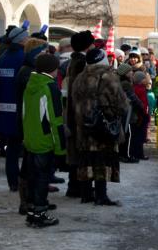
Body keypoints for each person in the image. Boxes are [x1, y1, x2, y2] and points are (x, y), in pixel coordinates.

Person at [71, 48, 129, 205]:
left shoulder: (80, 77)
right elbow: (121, 104)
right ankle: (101, 195)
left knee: (86, 159)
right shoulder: (107, 76)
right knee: (102, 159)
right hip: (103, 126)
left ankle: (86, 194)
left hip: (83, 126)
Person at [21, 53, 64, 228]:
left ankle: (32, 211)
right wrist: (61, 148)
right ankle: (39, 213)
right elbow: (55, 119)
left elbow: (24, 113)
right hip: (45, 140)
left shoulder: (31, 84)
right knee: (42, 179)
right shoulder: (50, 87)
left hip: (31, 137)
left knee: (32, 177)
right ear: (53, 69)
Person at [0, 25, 30, 191]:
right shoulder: (23, 57)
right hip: (21, 109)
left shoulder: (3, 57)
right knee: (27, 147)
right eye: (27, 37)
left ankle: (13, 181)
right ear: (22, 40)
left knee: (12, 147)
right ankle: (25, 180)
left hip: (4, 109)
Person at [63, 30, 95, 198]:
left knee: (75, 150)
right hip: (79, 112)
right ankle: (78, 186)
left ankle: (74, 185)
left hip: (72, 111)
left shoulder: (74, 61)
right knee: (81, 150)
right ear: (87, 46)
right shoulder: (82, 63)